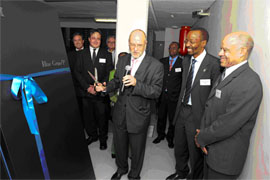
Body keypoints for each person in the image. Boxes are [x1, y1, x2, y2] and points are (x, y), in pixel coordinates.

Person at [96, 29, 163, 180]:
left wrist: (136, 84)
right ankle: (121, 168)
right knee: (120, 145)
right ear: (128, 44)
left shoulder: (155, 65)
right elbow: (117, 81)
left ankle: (134, 175)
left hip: (139, 114)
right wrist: (105, 88)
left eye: (139, 45)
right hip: (120, 112)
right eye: (132, 44)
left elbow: (156, 91)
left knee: (137, 149)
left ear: (146, 44)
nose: (135, 48)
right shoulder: (123, 60)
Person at [195, 32, 263, 179]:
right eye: (221, 49)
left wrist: (201, 137)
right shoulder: (226, 72)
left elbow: (227, 124)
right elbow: (211, 106)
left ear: (242, 52)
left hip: (224, 160)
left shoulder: (249, 83)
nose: (220, 53)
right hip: (211, 151)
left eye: (225, 50)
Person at [166, 28, 221, 180]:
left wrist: (206, 122)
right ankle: (181, 171)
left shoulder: (214, 64)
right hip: (182, 111)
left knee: (195, 152)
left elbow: (214, 98)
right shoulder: (186, 61)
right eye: (186, 41)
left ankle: (194, 177)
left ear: (203, 43)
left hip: (198, 115)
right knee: (179, 147)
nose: (187, 44)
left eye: (192, 41)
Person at [74, 29, 113, 150]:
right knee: (88, 117)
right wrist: (87, 87)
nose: (96, 40)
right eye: (94, 38)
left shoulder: (106, 54)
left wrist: (100, 86)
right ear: (90, 39)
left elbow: (109, 72)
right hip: (87, 93)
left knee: (102, 117)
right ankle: (92, 136)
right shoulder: (82, 54)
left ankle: (103, 139)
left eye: (98, 38)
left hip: (100, 93)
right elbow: (77, 72)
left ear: (101, 41)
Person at [153, 42, 183, 149]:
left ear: (178, 49)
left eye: (174, 48)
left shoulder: (182, 63)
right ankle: (160, 135)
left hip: (174, 97)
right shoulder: (162, 61)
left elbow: (183, 81)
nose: (172, 50)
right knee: (160, 117)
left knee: (172, 118)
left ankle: (170, 138)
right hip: (161, 96)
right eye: (170, 48)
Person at [67, 32, 85, 124]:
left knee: (87, 111)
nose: (77, 42)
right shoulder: (69, 55)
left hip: (86, 88)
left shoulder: (88, 53)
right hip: (74, 87)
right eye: (75, 40)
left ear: (83, 41)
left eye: (79, 40)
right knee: (76, 110)